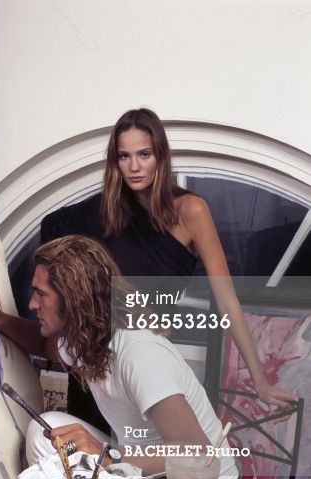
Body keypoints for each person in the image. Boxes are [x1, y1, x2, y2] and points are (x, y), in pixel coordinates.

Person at [40, 108, 296, 409]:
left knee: (143, 439)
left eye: (144, 154)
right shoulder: (103, 213)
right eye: (124, 156)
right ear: (115, 162)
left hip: (146, 370)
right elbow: (51, 228)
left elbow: (227, 301)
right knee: (75, 439)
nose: (134, 166)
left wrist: (259, 381)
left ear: (160, 156)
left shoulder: (191, 211)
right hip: (96, 372)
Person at [0, 235, 238, 479]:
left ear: (72, 299)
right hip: (146, 472)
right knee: (47, 428)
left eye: (41, 293)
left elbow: (197, 452)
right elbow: (43, 344)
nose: (32, 304)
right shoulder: (82, 338)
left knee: (67, 441)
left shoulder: (140, 354)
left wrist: (109, 456)